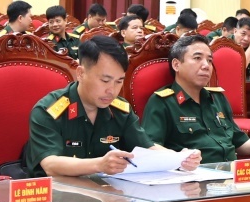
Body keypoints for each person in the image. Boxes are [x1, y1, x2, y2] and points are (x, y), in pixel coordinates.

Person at [22, 36, 196, 177]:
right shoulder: (50, 110)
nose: (111, 90)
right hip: (57, 197)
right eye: (105, 80)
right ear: (81, 73)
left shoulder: (120, 109)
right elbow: (50, 165)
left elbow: (147, 147)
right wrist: (99, 164)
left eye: (119, 81)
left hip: (107, 194)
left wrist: (180, 158)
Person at [142, 34, 250, 163]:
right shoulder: (163, 102)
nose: (206, 65)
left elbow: (240, 143)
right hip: (193, 172)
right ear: (176, 65)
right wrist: (179, 158)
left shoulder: (217, 98)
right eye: (197, 58)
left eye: (209, 60)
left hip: (230, 171)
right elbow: (149, 146)